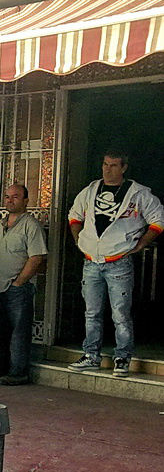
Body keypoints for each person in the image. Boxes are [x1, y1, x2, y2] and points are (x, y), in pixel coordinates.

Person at [67, 151, 163, 378]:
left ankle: (122, 358)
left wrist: (141, 244)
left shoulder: (138, 193)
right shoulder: (90, 190)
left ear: (124, 167)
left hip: (119, 261)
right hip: (91, 261)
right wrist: (79, 240)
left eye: (113, 165)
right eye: (105, 164)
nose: (107, 169)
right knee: (92, 312)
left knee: (120, 313)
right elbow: (74, 215)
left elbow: (158, 220)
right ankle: (91, 355)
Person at [0, 184, 47, 386]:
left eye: (15, 197)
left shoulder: (30, 225)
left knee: (19, 332)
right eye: (7, 197)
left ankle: (18, 372)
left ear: (26, 200)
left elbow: (36, 258)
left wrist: (18, 283)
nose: (10, 200)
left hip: (16, 289)